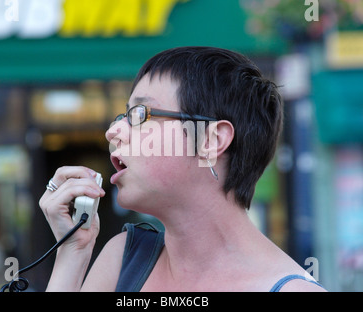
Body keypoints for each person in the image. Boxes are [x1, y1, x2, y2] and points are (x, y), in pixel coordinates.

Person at [39, 46, 325, 292]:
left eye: (140, 114)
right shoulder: (124, 259)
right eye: (122, 115)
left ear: (211, 140)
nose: (113, 131)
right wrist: (72, 251)